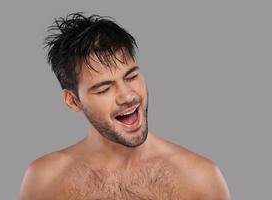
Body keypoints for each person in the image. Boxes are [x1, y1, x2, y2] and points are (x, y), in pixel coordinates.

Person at [20, 12, 230, 200]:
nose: (127, 96)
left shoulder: (199, 179)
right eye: (104, 89)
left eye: (131, 76)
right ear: (73, 101)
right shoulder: (46, 180)